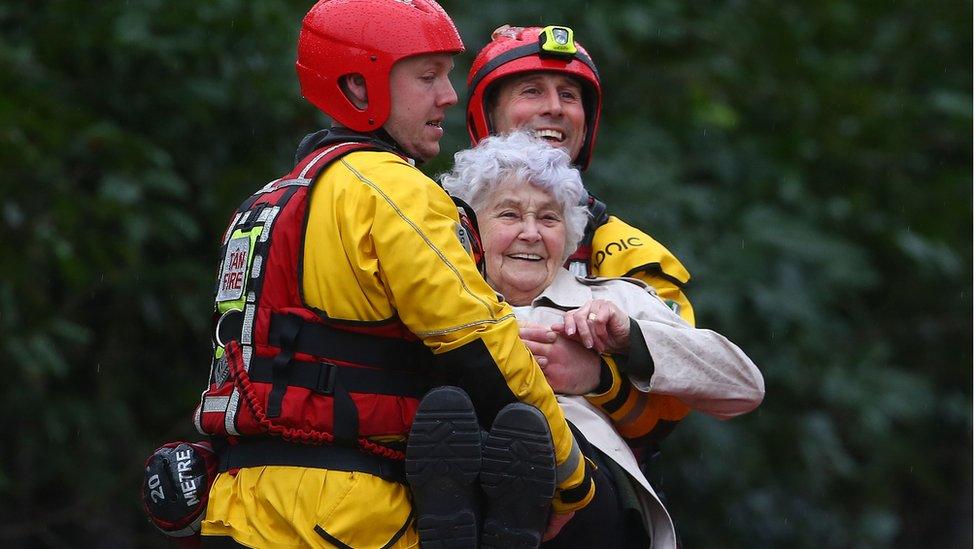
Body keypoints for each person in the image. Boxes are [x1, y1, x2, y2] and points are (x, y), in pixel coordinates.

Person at [187, 2, 593, 547]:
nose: (449, 96)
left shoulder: (268, 200)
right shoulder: (394, 189)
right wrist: (570, 477)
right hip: (348, 514)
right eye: (427, 78)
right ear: (358, 87)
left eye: (448, 77)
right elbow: (480, 345)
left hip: (238, 508)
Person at [439, 131, 765, 548]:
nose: (531, 233)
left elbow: (743, 387)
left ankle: (510, 509)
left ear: (570, 232)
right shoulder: (439, 301)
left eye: (549, 218)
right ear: (471, 229)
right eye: (509, 215)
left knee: (535, 435)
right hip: (461, 466)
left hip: (590, 497)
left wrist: (627, 340)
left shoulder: (610, 298)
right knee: (449, 419)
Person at [466, 23, 698, 458]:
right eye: (532, 91)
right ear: (487, 115)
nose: (554, 108)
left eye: (569, 96)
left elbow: (674, 406)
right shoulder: (427, 223)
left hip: (595, 478)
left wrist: (598, 377)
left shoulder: (631, 252)